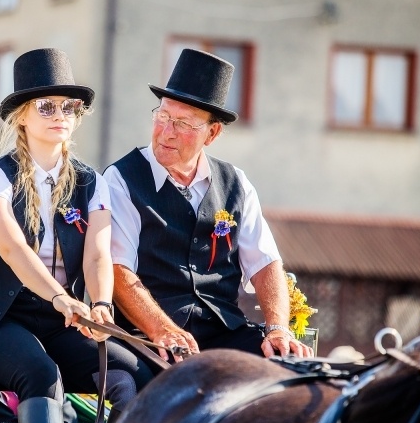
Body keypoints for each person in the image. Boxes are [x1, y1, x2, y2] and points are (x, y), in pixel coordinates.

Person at [0, 48, 154, 423]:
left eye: (70, 107)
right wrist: (61, 297)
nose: (59, 115)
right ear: (22, 116)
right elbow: (12, 249)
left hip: (66, 319)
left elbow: (99, 256)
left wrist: (100, 304)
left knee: (132, 376)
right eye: (46, 106)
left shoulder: (90, 181)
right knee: (41, 375)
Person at [104, 49, 313, 361]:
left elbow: (266, 263)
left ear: (212, 133)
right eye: (162, 116)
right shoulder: (120, 179)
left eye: (183, 123)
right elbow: (117, 270)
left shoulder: (236, 183)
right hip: (148, 335)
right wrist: (162, 329)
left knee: (290, 369)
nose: (166, 132)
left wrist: (278, 329)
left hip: (222, 330)